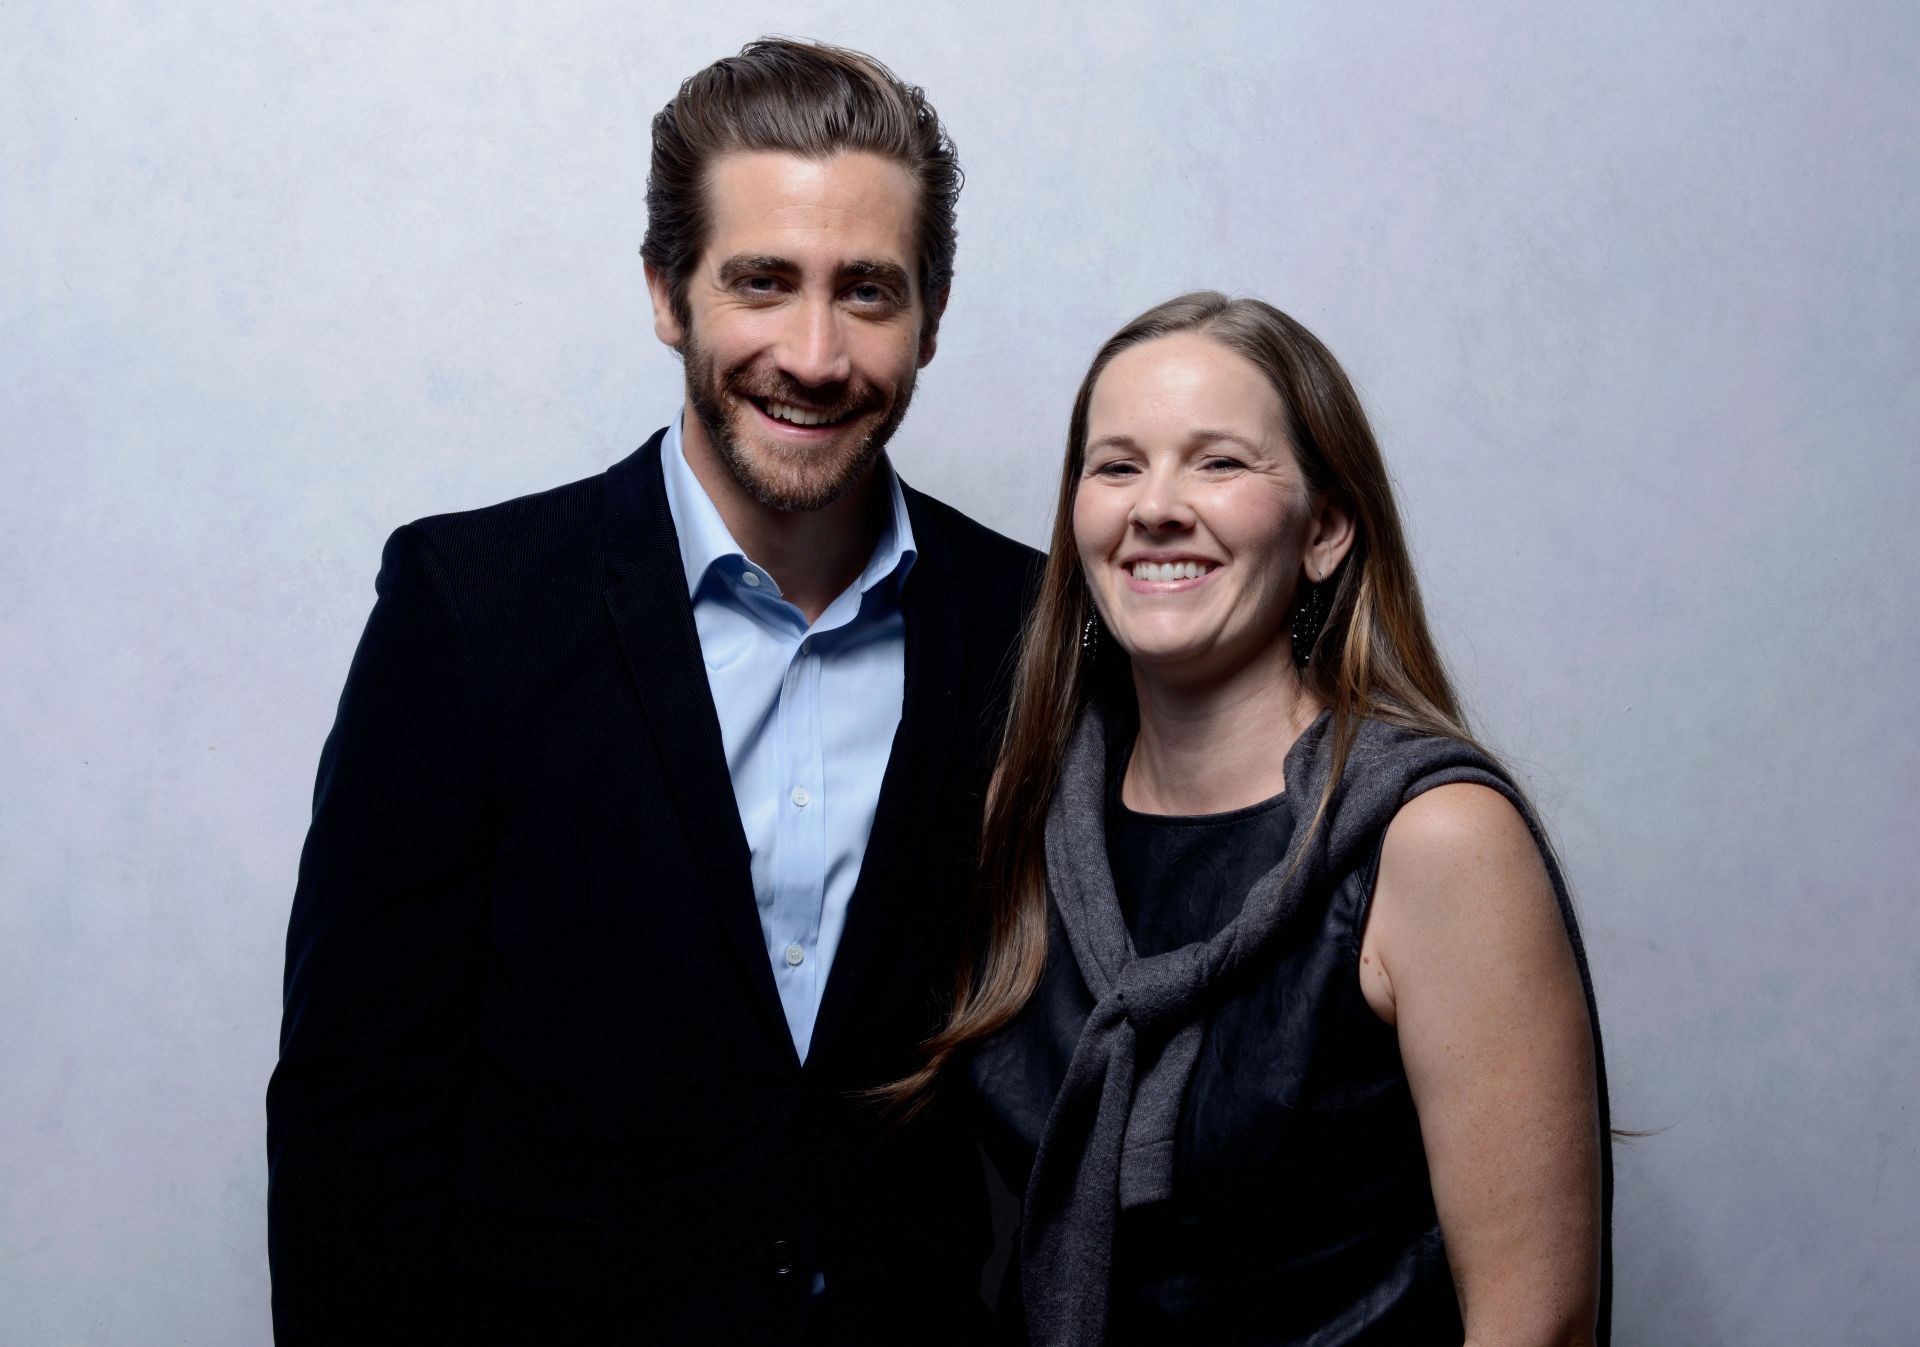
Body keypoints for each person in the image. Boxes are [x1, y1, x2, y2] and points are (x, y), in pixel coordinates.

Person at [265, 39, 1038, 1345]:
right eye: (761, 282)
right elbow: (359, 1109)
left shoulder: (1030, 627)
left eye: (867, 291)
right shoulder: (471, 608)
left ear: (934, 311)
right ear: (667, 292)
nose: (813, 350)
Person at [893, 293, 1612, 1345]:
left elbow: (1535, 1324)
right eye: (1117, 465)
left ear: (1324, 530)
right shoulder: (1028, 816)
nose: (1157, 507)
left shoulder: (1434, 838)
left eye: (1219, 463)